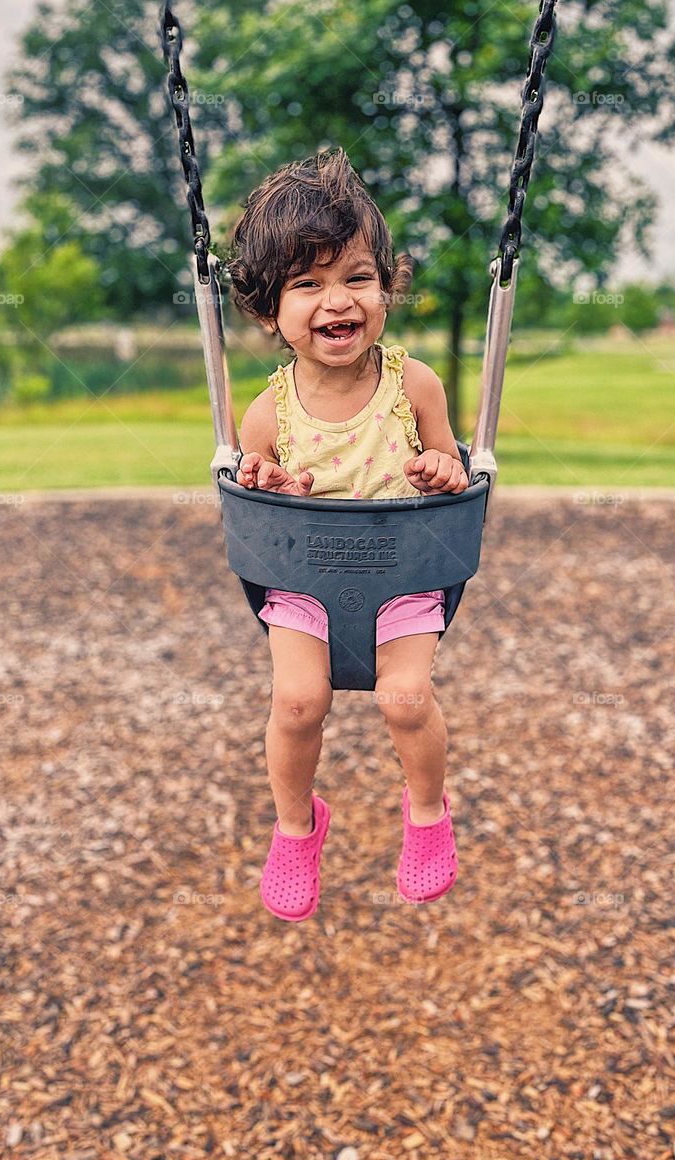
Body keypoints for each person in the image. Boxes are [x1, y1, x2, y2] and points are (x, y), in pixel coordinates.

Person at [226, 147, 467, 921]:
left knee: (404, 698)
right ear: (270, 311)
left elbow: (454, 466)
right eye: (309, 284)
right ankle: (296, 828)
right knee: (297, 703)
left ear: (386, 286)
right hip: (305, 580)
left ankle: (426, 813)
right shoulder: (267, 411)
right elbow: (258, 490)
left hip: (403, 571)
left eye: (357, 277)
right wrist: (273, 481)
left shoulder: (414, 384)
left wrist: (438, 469)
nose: (338, 301)